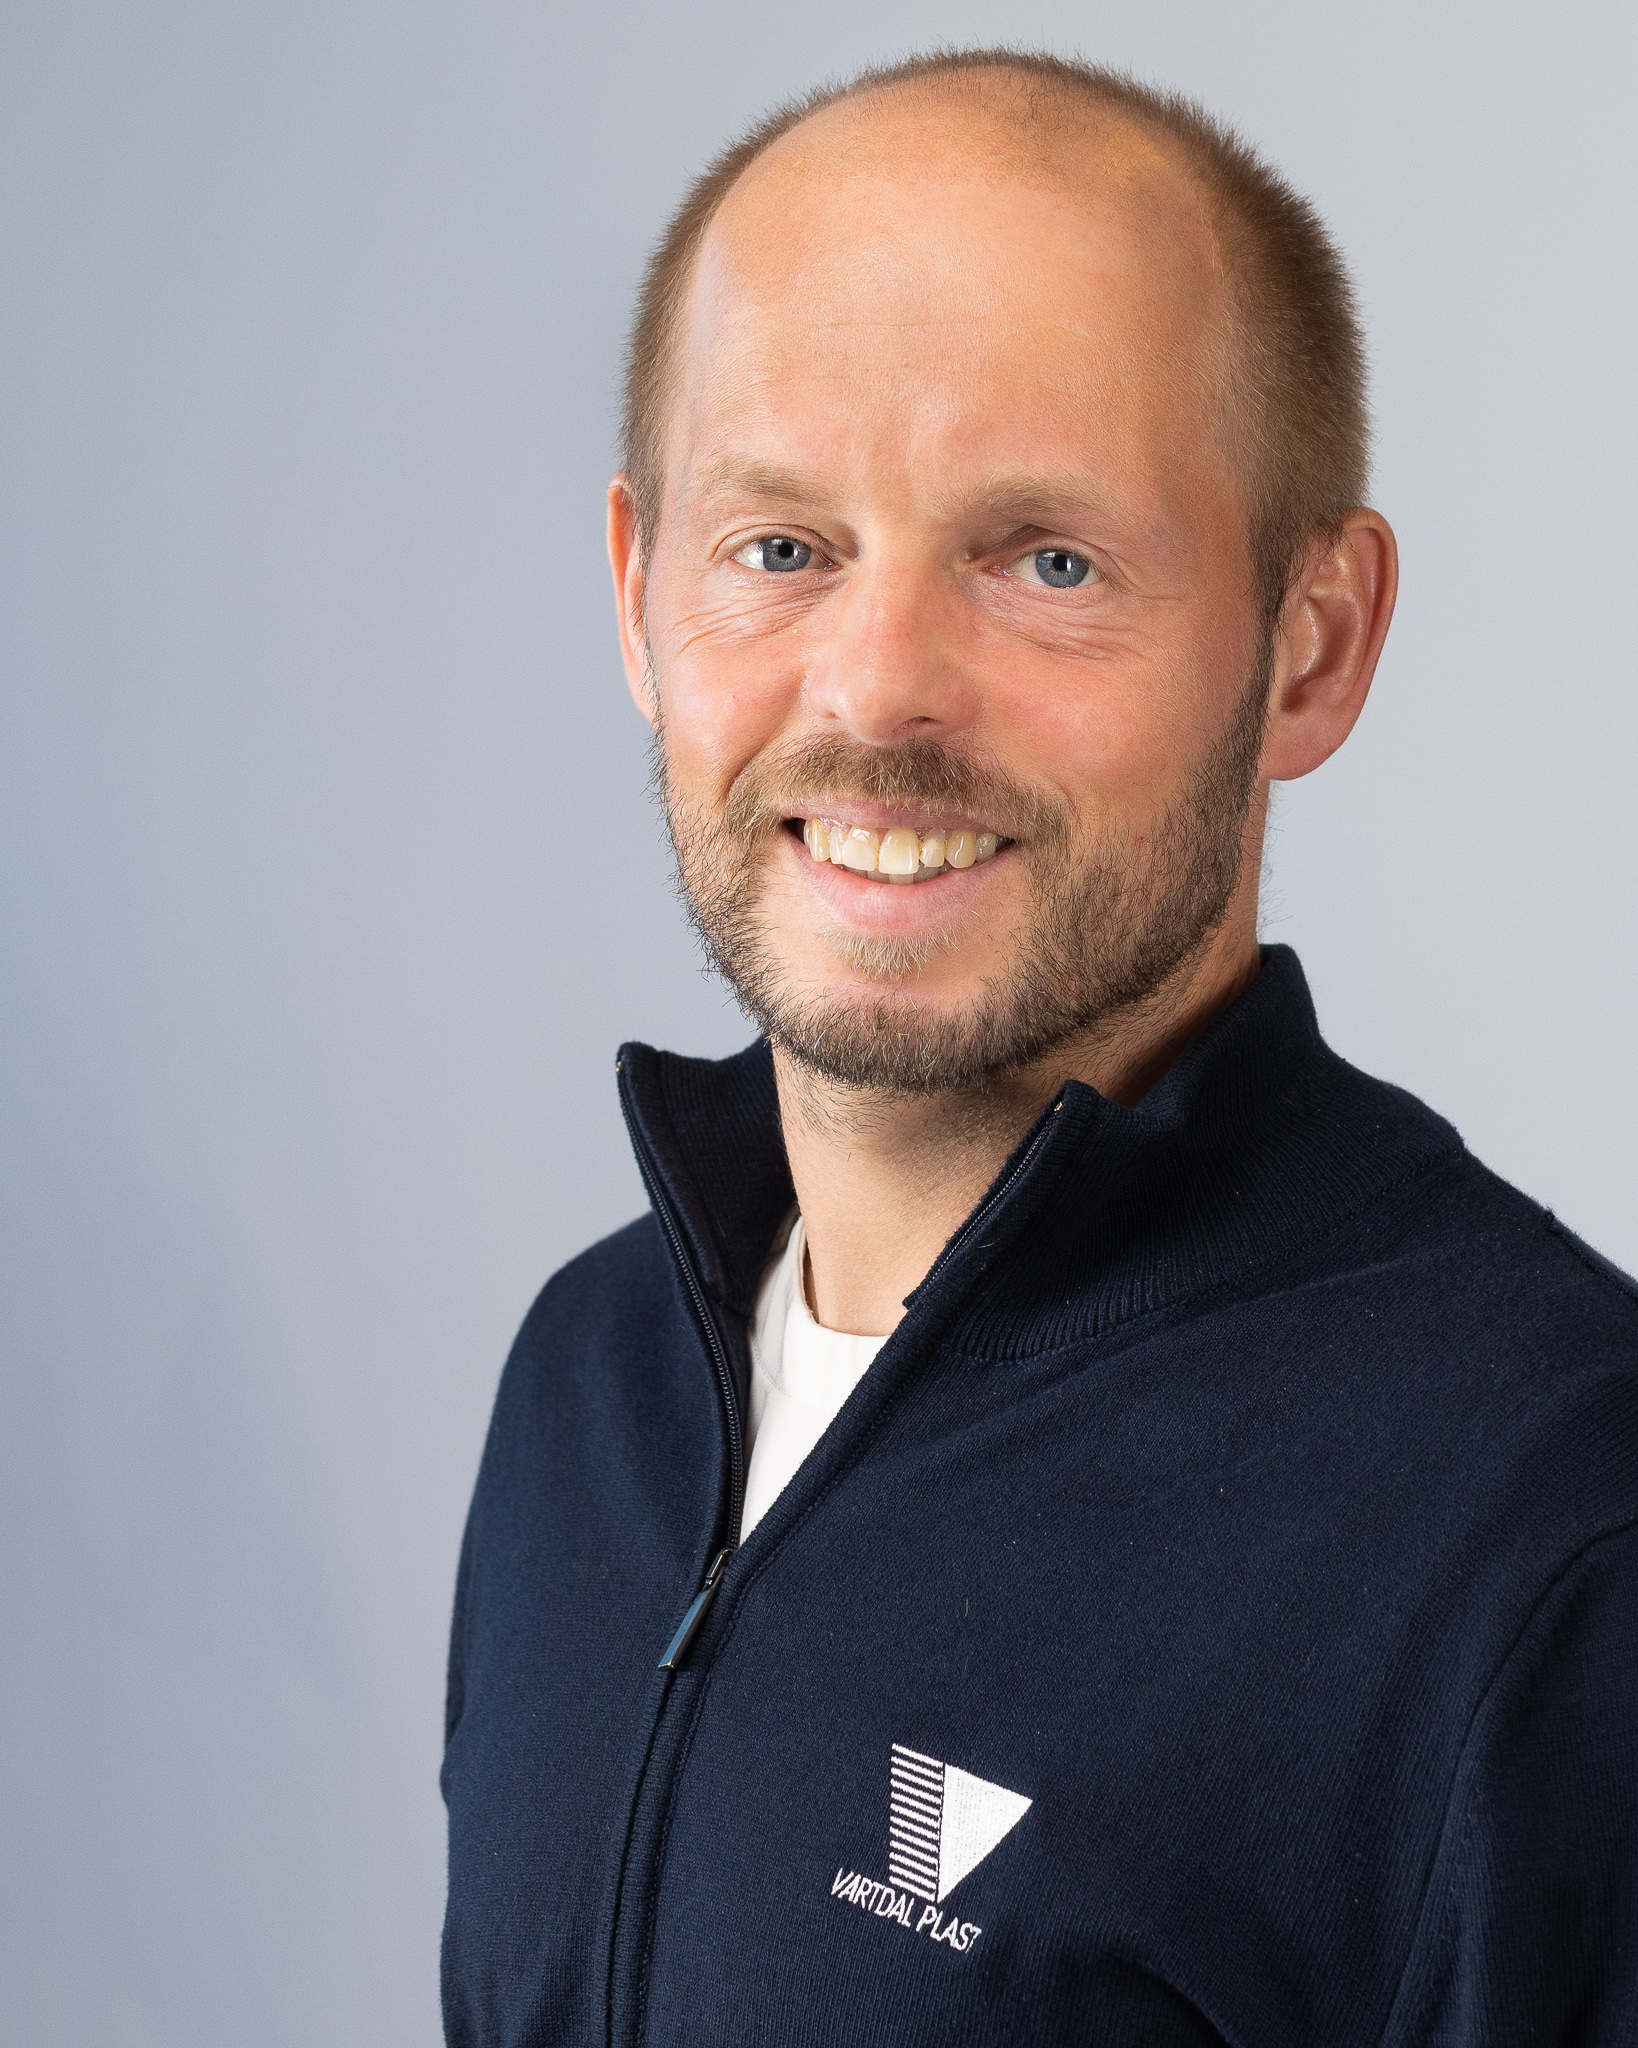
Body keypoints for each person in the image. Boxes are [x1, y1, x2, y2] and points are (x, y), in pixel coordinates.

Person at [440, 50, 1638, 2047]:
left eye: (1045, 560)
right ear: (641, 596)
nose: (878, 687)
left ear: (1313, 641)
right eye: (782, 547)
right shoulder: (593, 1385)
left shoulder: (1551, 1545)